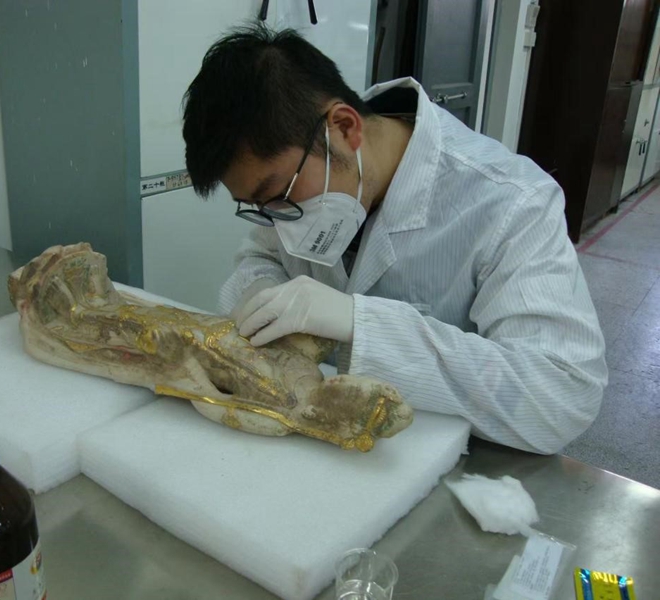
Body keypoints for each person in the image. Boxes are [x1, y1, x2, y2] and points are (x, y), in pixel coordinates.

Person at [181, 25, 607, 454]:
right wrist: (260, 289)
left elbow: (560, 398)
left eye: (279, 194)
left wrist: (362, 324)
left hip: (451, 465)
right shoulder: (300, 173)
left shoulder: (513, 201)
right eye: (258, 206)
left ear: (345, 127)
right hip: (319, 450)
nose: (278, 220)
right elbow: (262, 255)